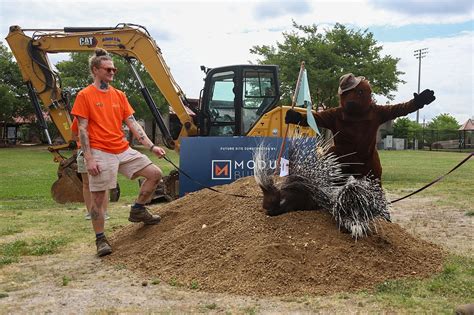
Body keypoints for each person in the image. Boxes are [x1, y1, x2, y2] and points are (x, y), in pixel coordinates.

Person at [71, 48, 166, 257]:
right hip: (99, 151)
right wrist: (89, 158)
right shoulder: (84, 95)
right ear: (96, 70)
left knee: (155, 174)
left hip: (122, 149)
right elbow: (82, 128)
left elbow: (133, 124)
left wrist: (151, 146)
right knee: (97, 198)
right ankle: (100, 239)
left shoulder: (119, 95)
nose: (113, 72)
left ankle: (138, 209)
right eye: (108, 69)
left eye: (114, 69)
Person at [285, 73, 436, 183]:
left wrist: (416, 103)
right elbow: (314, 119)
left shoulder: (370, 112)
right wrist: (299, 118)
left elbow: (399, 109)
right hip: (342, 165)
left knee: (372, 194)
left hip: (366, 166)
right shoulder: (339, 114)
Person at [71, 117, 109, 220]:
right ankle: (90, 212)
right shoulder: (78, 117)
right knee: (87, 184)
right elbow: (74, 136)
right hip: (83, 152)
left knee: (102, 183)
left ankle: (103, 212)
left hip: (100, 151)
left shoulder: (101, 115)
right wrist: (85, 142)